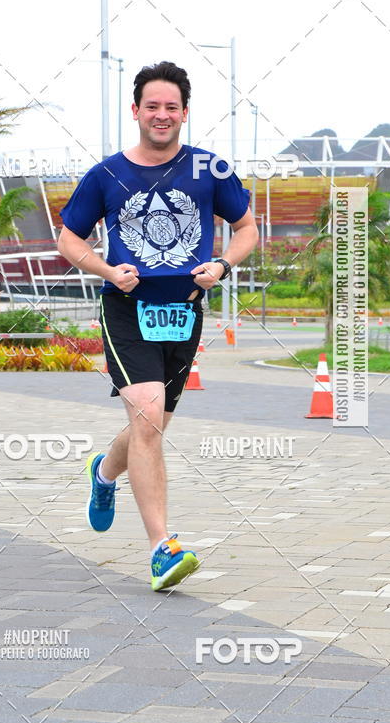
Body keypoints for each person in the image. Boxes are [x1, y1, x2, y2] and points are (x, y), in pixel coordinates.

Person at [58, 60, 258, 591]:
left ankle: (104, 472)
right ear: (136, 111)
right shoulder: (106, 175)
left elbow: (245, 229)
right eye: (153, 106)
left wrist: (222, 265)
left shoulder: (211, 170)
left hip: (184, 311)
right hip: (127, 308)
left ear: (185, 113)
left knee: (152, 425)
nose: (162, 115)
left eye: (172, 107)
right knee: (147, 418)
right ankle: (161, 551)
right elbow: (68, 240)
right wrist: (105, 269)